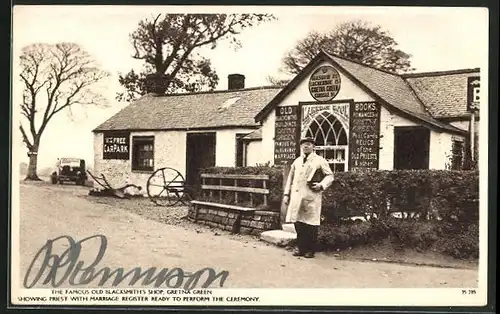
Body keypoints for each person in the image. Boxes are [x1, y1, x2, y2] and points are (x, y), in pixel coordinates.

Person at [283, 137, 334, 258]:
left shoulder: (320, 160)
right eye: (303, 145)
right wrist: (286, 194)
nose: (305, 146)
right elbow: (290, 178)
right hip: (296, 196)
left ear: (313, 147)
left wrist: (321, 185)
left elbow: (330, 176)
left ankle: (310, 250)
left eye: (308, 144)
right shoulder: (297, 161)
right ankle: (301, 247)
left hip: (311, 195)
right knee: (298, 222)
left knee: (311, 224)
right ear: (301, 147)